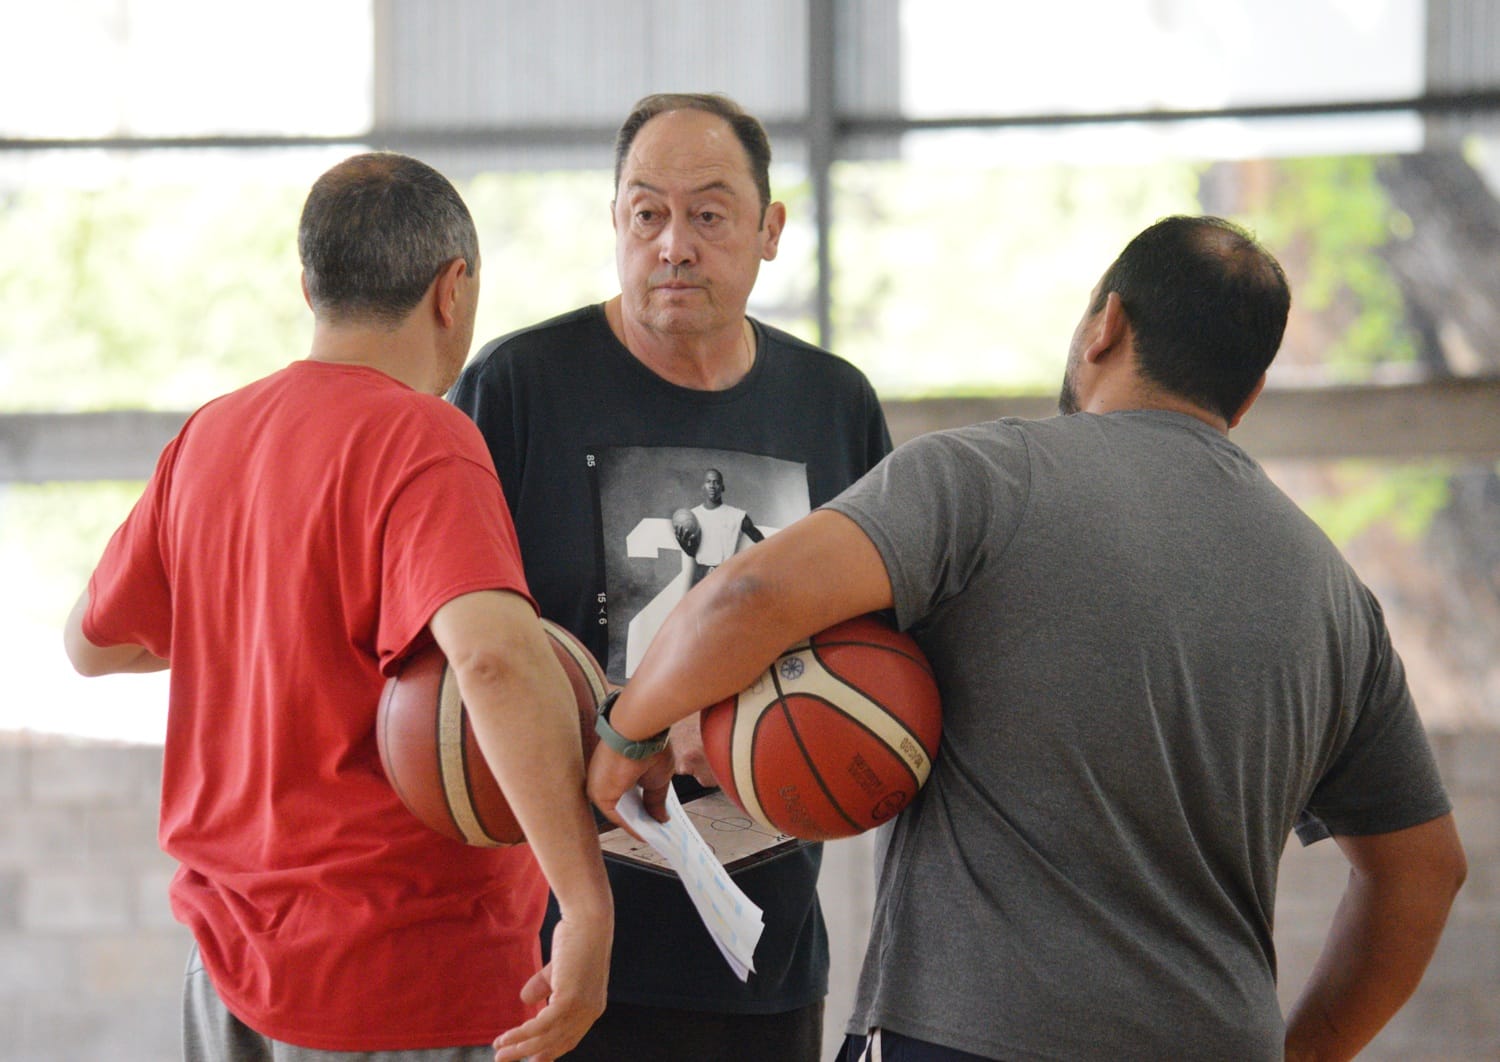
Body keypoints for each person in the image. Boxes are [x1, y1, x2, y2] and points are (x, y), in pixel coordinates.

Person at [589, 215, 1468, 1061]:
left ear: (1105, 326)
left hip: (974, 1032)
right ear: (1248, 392)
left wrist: (630, 731)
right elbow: (1423, 872)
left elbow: (749, 595)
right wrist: (1306, 1054)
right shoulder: (1334, 593)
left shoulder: (988, 478)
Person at [62, 152, 612, 1062]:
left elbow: (91, 643)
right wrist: (586, 906)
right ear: (454, 290)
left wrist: (261, 628)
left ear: (309, 282)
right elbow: (491, 660)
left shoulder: (212, 434)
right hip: (404, 975)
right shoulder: (425, 436)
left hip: (230, 966)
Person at [450, 93, 891, 1061]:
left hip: (763, 954)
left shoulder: (834, 403)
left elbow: (871, 650)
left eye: (710, 213)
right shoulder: (516, 388)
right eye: (647, 213)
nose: (674, 245)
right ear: (615, 222)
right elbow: (460, 657)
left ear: (771, 231)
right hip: (559, 951)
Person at [682, 466, 763, 584]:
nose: (712, 486)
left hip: (727, 575)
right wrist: (684, 544)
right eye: (708, 482)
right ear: (703, 486)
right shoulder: (692, 516)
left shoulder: (737, 515)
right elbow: (691, 552)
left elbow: (760, 540)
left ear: (722, 487)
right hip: (701, 575)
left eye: (716, 482)